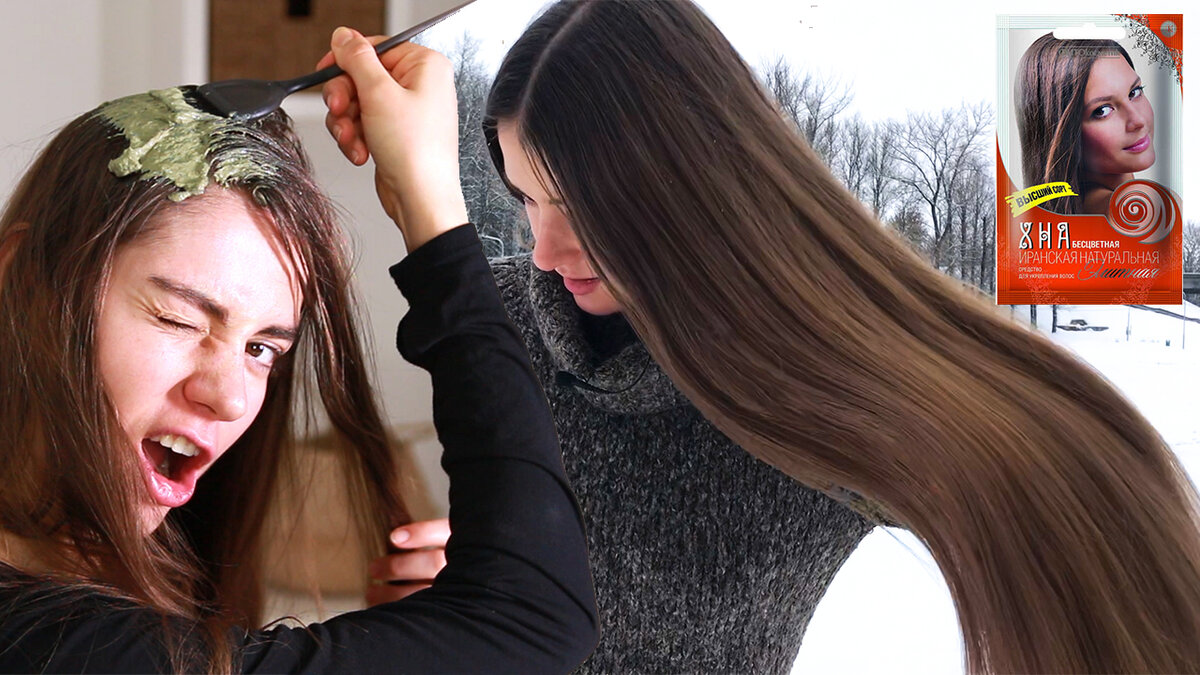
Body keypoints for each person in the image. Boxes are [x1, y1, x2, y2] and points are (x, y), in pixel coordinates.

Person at [322, 2, 1200, 673]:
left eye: (584, 205)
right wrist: (449, 600)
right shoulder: (491, 320)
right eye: (525, 198)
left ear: (697, 184)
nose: (545, 251)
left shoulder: (830, 377)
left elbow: (1104, 527)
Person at [0, 77, 597, 672]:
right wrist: (428, 204)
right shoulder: (53, 646)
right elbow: (531, 620)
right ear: (23, 276)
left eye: (261, 350)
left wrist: (416, 641)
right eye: (178, 319)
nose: (231, 399)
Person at [1016, 34, 1156, 214]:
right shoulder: (1135, 208)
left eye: (1134, 92)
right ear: (1063, 133)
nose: (1138, 121)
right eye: (1102, 111)